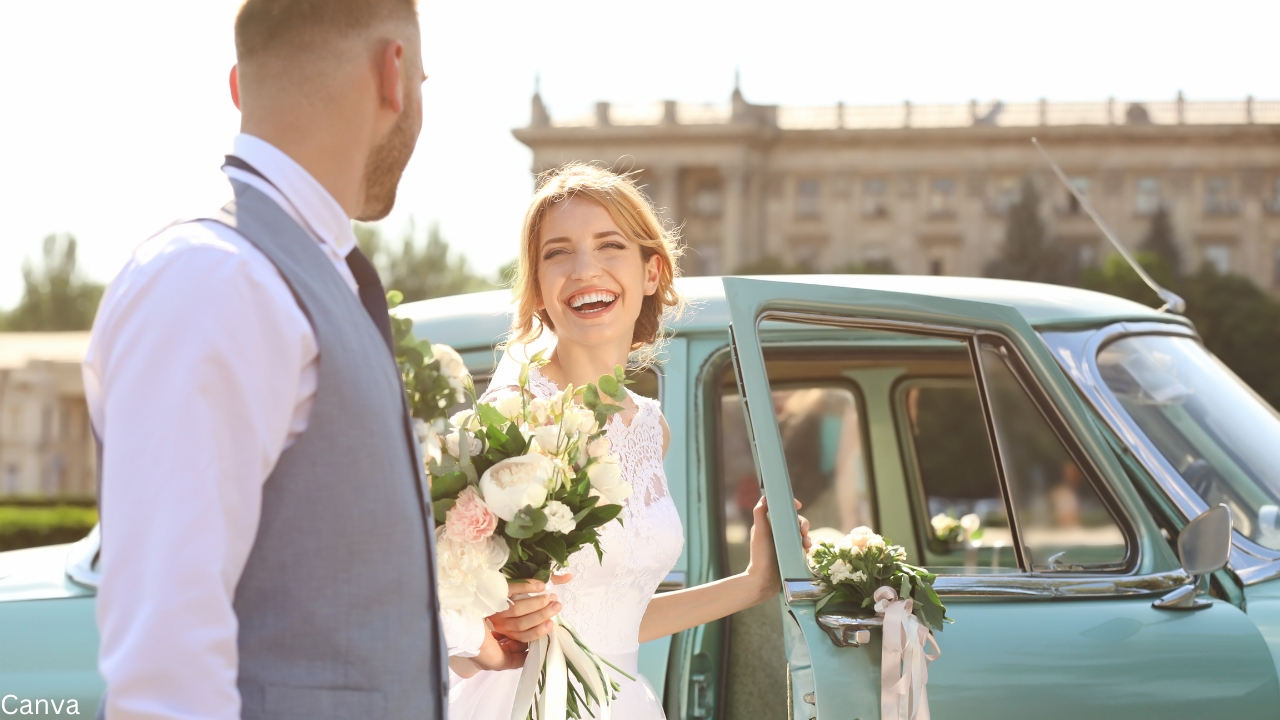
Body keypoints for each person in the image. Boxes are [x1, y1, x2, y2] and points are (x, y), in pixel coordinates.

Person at [83, 2, 479, 718]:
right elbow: (167, 671)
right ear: (394, 75)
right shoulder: (213, 280)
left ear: (240, 87)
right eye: (422, 78)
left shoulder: (288, 274)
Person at [448, 163, 811, 719]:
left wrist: (754, 582)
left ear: (651, 271)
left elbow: (612, 616)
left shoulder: (650, 426)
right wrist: (492, 641)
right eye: (558, 253)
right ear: (539, 288)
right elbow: (445, 601)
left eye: (610, 245)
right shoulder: (510, 414)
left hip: (622, 700)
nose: (584, 270)